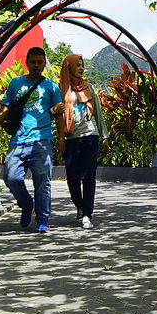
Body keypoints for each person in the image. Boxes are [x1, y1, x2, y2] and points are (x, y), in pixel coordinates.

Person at [0, 47, 64, 234]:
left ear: (43, 63)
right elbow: (6, 107)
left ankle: (43, 219)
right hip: (18, 138)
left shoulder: (51, 87)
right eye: (33, 62)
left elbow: (58, 113)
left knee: (43, 181)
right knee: (11, 176)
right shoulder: (16, 83)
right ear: (27, 62)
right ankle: (26, 203)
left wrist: (61, 137)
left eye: (40, 62)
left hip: (42, 139)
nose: (36, 65)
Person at [56, 53, 108, 229]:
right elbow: (55, 114)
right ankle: (78, 205)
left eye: (81, 65)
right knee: (72, 177)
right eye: (77, 65)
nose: (80, 68)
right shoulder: (61, 89)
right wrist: (60, 137)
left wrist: (104, 136)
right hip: (71, 138)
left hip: (90, 135)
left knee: (88, 176)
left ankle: (87, 213)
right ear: (68, 67)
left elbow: (98, 113)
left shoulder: (89, 87)